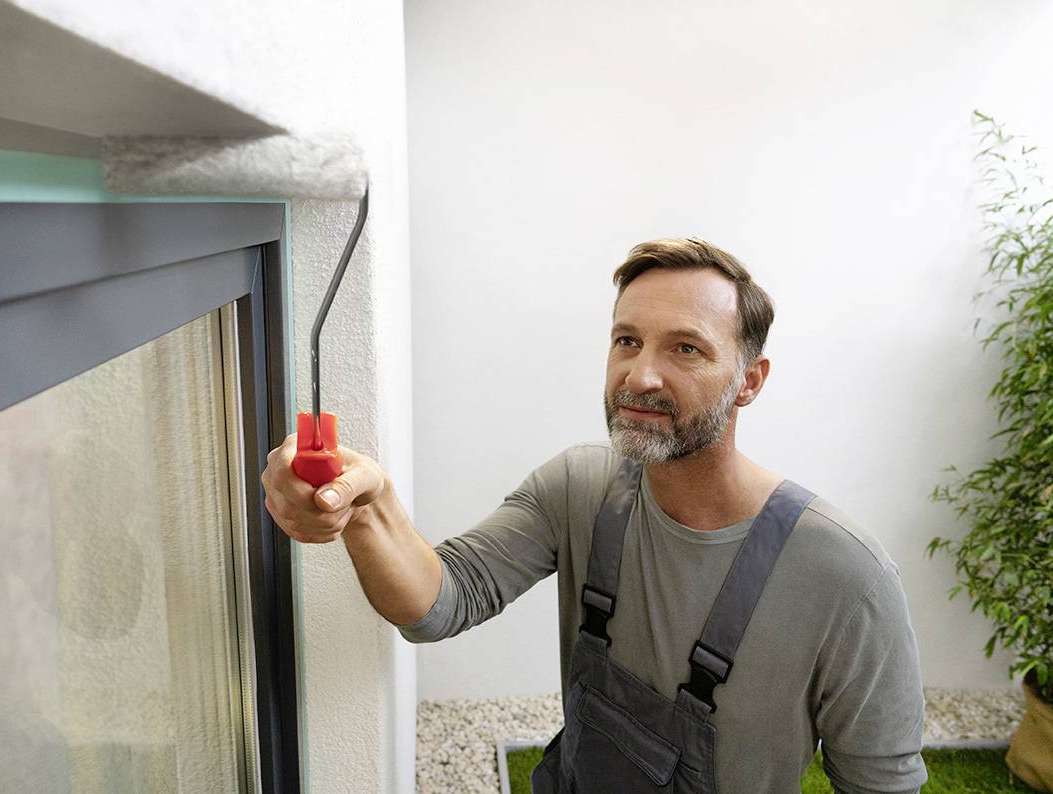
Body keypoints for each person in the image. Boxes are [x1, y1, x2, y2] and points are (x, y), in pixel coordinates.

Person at [262, 238, 928, 793]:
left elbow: (880, 787)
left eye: (685, 348)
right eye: (627, 340)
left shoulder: (845, 576)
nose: (639, 375)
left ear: (748, 380)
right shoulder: (580, 488)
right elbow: (439, 602)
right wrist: (366, 507)